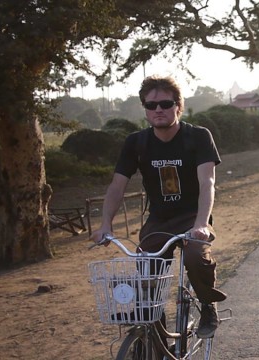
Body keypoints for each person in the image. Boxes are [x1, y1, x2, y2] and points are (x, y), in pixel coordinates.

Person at [90, 75, 226, 338]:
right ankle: (156, 329)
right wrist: (105, 224)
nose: (158, 109)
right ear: (145, 110)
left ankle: (208, 306)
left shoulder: (198, 136)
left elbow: (207, 181)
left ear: (178, 106)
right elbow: (117, 186)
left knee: (196, 257)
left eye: (165, 103)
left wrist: (201, 223)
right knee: (147, 267)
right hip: (159, 220)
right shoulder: (136, 142)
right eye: (151, 105)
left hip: (192, 217)